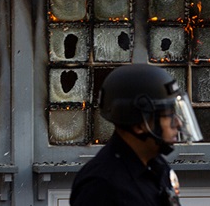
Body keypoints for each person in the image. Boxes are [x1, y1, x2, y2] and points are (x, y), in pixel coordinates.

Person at [70, 63, 203, 206]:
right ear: (139, 124)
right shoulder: (101, 186)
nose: (178, 123)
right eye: (168, 115)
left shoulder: (155, 164)